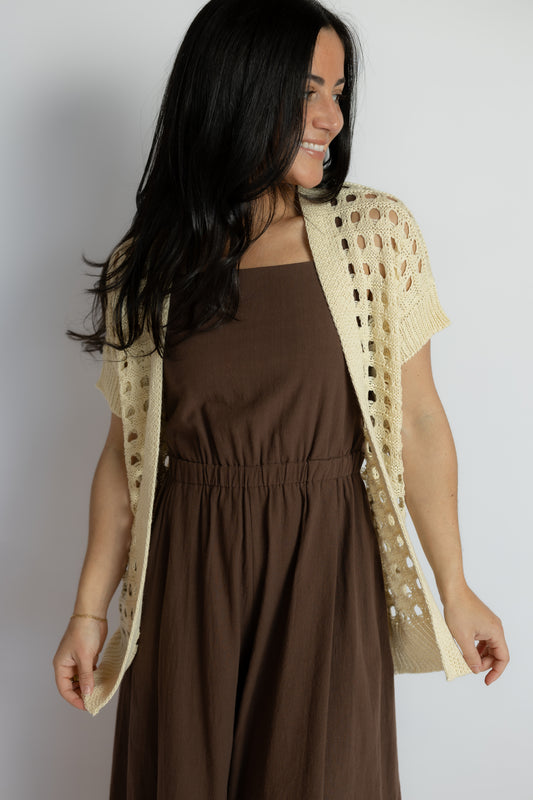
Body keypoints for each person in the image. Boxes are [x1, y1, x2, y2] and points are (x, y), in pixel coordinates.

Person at [53, 0, 509, 797]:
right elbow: (125, 458)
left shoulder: (375, 234)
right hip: (186, 579)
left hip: (326, 568)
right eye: (307, 90)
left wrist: (456, 587)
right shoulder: (150, 265)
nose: (331, 116)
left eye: (338, 91)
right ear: (235, 89)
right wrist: (90, 612)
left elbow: (421, 421)